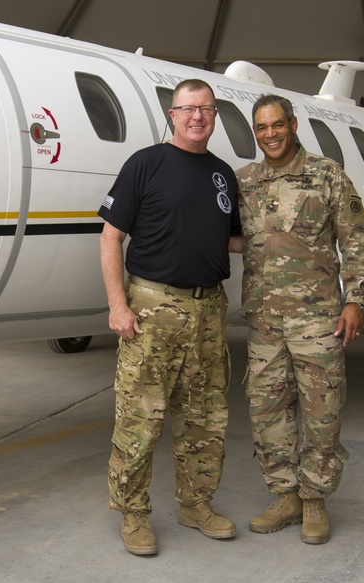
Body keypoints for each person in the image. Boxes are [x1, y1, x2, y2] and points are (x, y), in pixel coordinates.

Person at [98, 78, 242, 556]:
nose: (197, 116)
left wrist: (289, 233)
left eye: (205, 108)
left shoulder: (223, 174)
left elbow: (233, 238)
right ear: (173, 114)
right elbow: (110, 237)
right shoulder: (146, 163)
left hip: (208, 311)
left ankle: (196, 504)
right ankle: (134, 513)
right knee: (141, 419)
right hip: (153, 310)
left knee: (205, 419)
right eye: (187, 109)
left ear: (215, 114)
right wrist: (118, 306)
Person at [234, 94, 364, 545]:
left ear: (293, 124)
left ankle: (314, 499)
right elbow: (230, 237)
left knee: (322, 412)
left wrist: (356, 300)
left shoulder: (326, 174)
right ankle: (285, 494)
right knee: (267, 412)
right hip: (264, 322)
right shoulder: (245, 181)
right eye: (261, 128)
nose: (269, 134)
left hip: (317, 319)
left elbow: (353, 240)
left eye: (277, 125)